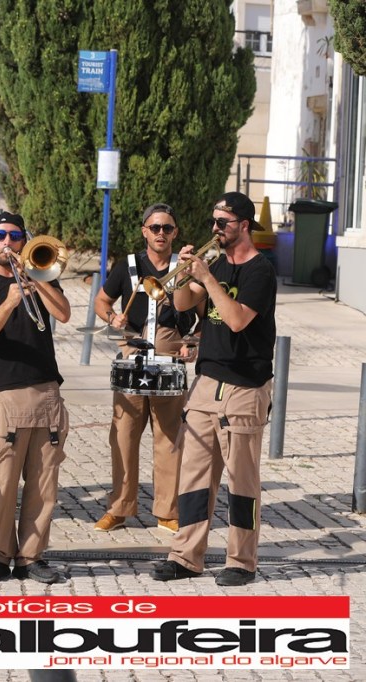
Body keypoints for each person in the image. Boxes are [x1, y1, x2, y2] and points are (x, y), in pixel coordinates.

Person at [151, 191, 276, 587]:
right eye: (213, 222)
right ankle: (185, 557)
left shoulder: (260, 271)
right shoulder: (218, 264)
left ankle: (242, 561)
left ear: (244, 225)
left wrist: (207, 277)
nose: (215, 229)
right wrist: (184, 273)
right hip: (207, 382)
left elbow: (237, 320)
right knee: (193, 478)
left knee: (242, 482)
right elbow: (184, 304)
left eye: (223, 223)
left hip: (246, 385)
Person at [0, 211, 72, 584]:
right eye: (0, 235)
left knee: (43, 484)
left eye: (15, 236)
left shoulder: (41, 277)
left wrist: (35, 279)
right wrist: (8, 302)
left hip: (47, 392)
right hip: (5, 394)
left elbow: (64, 314)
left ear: (24, 241)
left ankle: (31, 557)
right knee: (4, 483)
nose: (7, 242)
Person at [92, 203, 198, 535]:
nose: (161, 233)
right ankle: (119, 508)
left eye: (167, 228)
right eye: (155, 228)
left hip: (169, 353)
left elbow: (204, 314)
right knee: (123, 438)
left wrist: (192, 341)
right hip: (132, 354)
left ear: (175, 232)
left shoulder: (186, 267)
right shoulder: (127, 266)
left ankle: (167, 511)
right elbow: (101, 301)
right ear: (144, 231)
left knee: (169, 439)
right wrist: (113, 318)